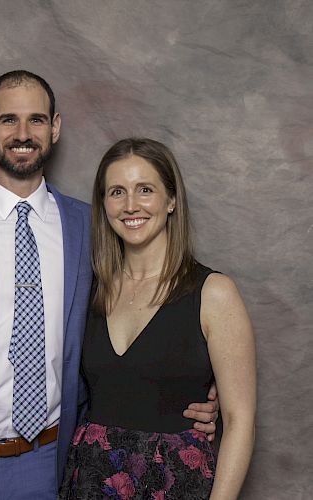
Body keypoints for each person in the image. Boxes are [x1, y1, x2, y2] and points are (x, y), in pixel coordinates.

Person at [0, 72, 219, 500]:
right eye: (8, 120)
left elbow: (137, 319)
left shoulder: (91, 227)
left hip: (54, 465)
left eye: (36, 120)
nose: (23, 134)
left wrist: (196, 387)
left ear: (55, 127)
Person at [60, 138, 256, 499]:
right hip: (90, 481)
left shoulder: (213, 293)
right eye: (116, 192)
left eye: (145, 189)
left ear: (171, 200)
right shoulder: (88, 291)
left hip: (176, 484)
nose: (130, 205)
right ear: (103, 205)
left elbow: (240, 421)